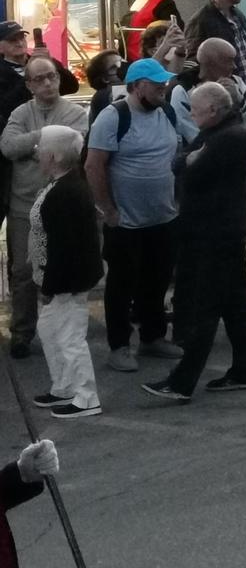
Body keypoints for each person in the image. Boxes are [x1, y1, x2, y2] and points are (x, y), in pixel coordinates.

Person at [143, 82, 246, 403]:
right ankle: (245, 370)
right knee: (235, 305)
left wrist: (190, 161)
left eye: (194, 109)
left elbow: (187, 171)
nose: (190, 114)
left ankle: (182, 382)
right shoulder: (220, 132)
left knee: (206, 308)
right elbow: (181, 161)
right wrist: (188, 160)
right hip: (221, 230)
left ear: (212, 110)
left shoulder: (228, 138)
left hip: (216, 234)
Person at [83, 57, 184, 374]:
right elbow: (93, 165)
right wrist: (107, 210)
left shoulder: (166, 112)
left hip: (163, 218)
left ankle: (153, 337)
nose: (163, 90)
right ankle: (119, 346)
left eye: (165, 84)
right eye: (157, 85)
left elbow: (176, 155)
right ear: (137, 85)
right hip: (125, 222)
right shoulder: (113, 117)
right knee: (121, 285)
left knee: (157, 280)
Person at [2, 56, 89, 358]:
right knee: (23, 271)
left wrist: (33, 149)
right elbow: (8, 147)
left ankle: (60, 332)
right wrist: (46, 138)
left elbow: (75, 147)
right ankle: (22, 332)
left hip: (61, 207)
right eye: (38, 79)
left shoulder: (75, 112)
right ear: (28, 85)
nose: (47, 83)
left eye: (50, 76)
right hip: (24, 205)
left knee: (60, 269)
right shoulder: (20, 113)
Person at [27, 126, 101, 418]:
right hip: (59, 278)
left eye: (40, 148)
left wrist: (51, 286)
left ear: (54, 156)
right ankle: (64, 386)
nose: (36, 152)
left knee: (70, 338)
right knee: (50, 331)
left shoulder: (65, 192)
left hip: (66, 281)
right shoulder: (62, 184)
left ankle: (86, 397)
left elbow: (66, 246)